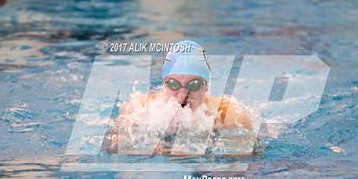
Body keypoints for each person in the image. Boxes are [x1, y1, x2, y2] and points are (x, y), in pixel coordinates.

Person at [109, 40, 255, 155]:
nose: (183, 95)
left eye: (195, 84)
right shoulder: (139, 109)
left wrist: (200, 156)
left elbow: (247, 164)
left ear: (206, 87)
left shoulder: (228, 114)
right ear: (164, 85)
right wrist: (148, 151)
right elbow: (113, 149)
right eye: (173, 84)